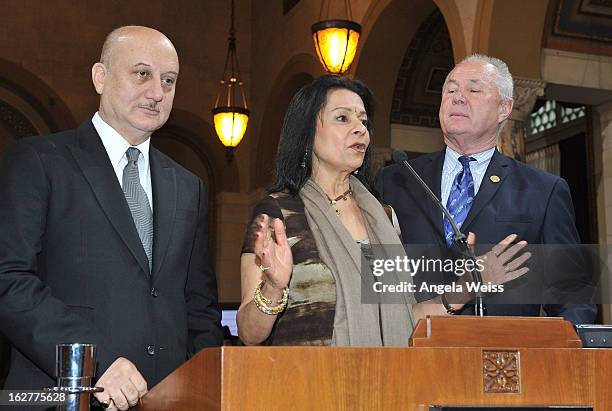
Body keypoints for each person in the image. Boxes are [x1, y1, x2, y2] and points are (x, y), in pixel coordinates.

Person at [0, 26, 223, 410]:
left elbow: (198, 306)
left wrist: (200, 386)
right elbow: (8, 279)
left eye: (168, 80)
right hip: (63, 397)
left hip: (167, 400)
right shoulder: (39, 161)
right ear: (100, 77)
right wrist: (92, 359)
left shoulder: (189, 186)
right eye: (142, 74)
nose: (157, 92)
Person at [237, 75, 529, 346]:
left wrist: (465, 288)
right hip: (311, 390)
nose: (360, 129)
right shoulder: (279, 213)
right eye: (342, 118)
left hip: (389, 387)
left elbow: (404, 318)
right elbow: (249, 333)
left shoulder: (383, 216)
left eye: (363, 121)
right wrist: (274, 287)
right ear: (307, 134)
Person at [376, 54, 596, 324]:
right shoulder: (397, 179)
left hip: (503, 358)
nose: (457, 97)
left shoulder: (543, 191)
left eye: (474, 89)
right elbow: (377, 281)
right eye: (451, 89)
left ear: (505, 108)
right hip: (412, 351)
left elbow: (571, 292)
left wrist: (565, 356)